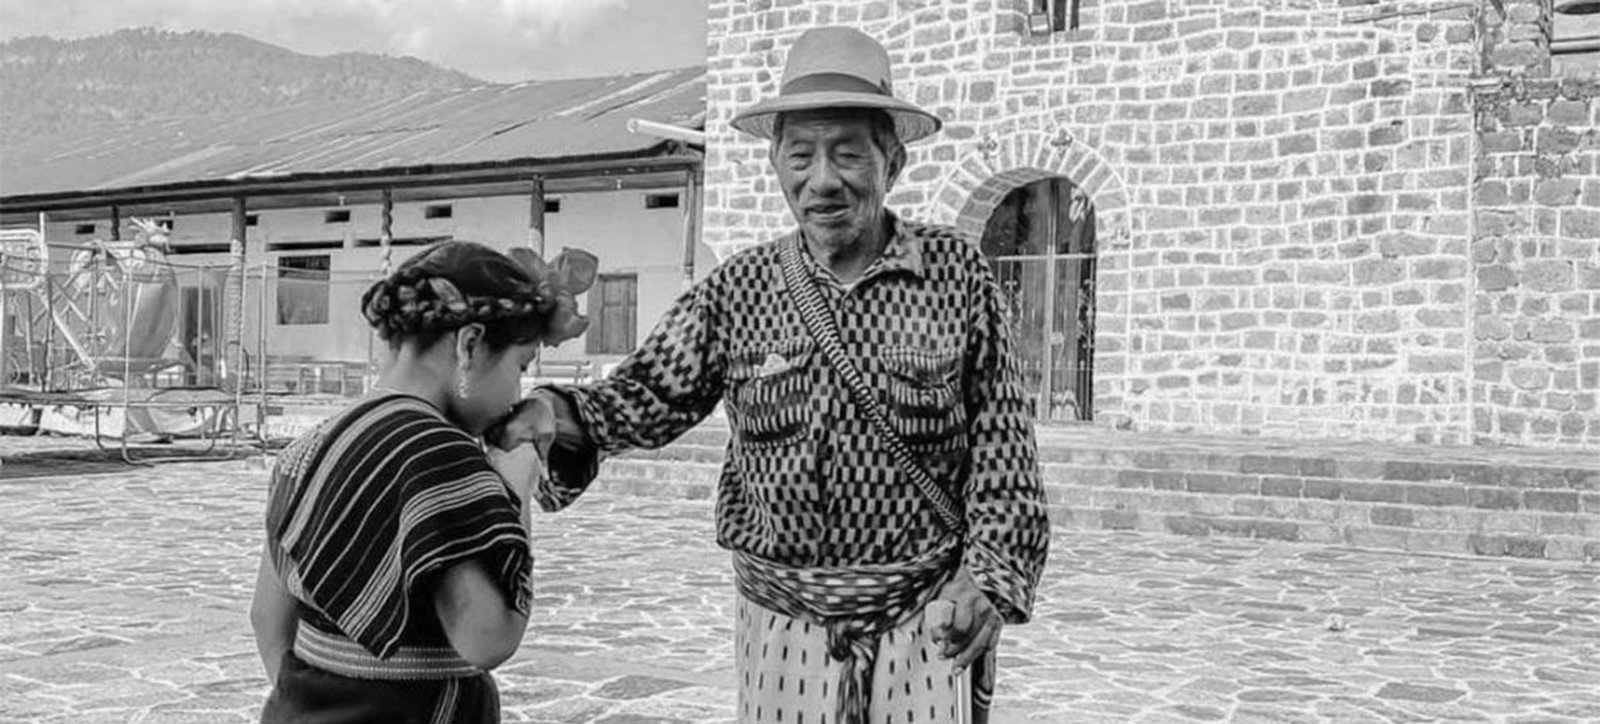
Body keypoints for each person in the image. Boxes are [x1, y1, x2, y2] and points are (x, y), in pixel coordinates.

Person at [506, 25, 1050, 724]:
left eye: (848, 153)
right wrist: (556, 413)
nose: (822, 179)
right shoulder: (739, 290)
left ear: (895, 162)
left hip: (925, 623)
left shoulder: (958, 277)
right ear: (776, 164)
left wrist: (984, 580)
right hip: (781, 634)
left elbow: (1005, 453)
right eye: (801, 155)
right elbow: (643, 397)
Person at [250, 240, 584, 723]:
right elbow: (488, 638)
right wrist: (519, 476)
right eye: (520, 366)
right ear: (469, 345)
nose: (517, 392)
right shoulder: (438, 456)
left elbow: (267, 621)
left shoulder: (308, 448)